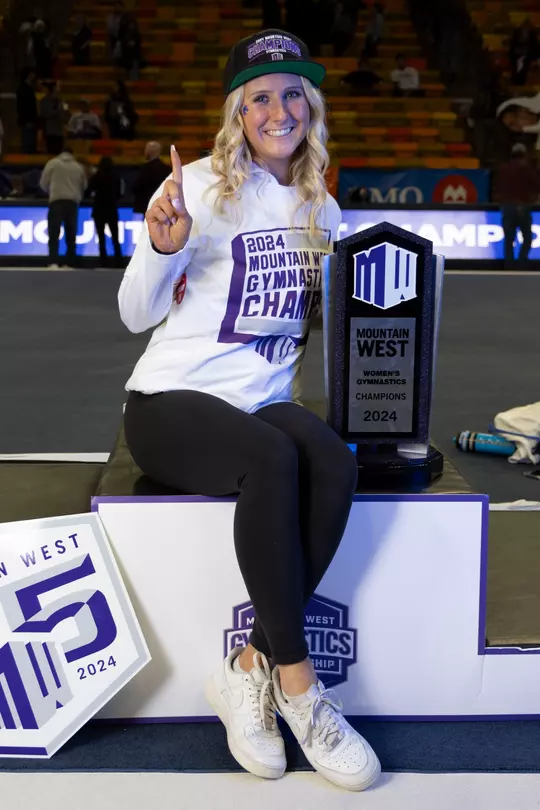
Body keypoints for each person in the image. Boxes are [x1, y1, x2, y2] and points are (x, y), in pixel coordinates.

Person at [118, 27, 381, 792]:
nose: (279, 108)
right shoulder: (195, 187)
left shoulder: (320, 207)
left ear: (311, 107)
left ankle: (244, 667)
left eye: (292, 93)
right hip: (171, 401)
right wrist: (163, 248)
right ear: (239, 112)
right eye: (260, 96)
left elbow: (327, 322)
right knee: (272, 460)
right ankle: (297, 684)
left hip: (262, 401)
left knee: (331, 458)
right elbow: (135, 314)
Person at [492, 143, 540, 268]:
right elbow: (536, 185)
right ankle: (521, 263)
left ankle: (509, 265)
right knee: (528, 238)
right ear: (524, 154)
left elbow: (497, 187)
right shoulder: (526, 168)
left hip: (506, 207)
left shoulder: (503, 168)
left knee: (509, 239)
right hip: (522, 207)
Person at [39, 146, 87, 268]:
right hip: (72, 202)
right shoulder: (78, 167)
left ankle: (53, 261)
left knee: (54, 233)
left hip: (56, 201)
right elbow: (84, 185)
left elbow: (43, 183)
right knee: (71, 234)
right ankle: (70, 262)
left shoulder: (52, 164)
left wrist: (51, 191)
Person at [88, 156, 123, 267]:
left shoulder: (96, 177)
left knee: (101, 238)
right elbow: (119, 194)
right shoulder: (116, 178)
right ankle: (119, 261)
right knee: (115, 237)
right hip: (112, 209)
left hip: (99, 210)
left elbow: (89, 191)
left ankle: (104, 261)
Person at [132, 141, 170, 215]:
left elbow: (136, 186)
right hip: (162, 207)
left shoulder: (145, 169)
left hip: (146, 206)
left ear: (149, 152)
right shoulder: (167, 169)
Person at [39, 81, 68, 154]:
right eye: (57, 88)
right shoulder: (45, 101)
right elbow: (46, 114)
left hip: (59, 131)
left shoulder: (60, 101)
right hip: (50, 131)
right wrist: (58, 109)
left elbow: (65, 113)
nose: (59, 90)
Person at [509, 19, 539, 86]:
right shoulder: (516, 34)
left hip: (528, 55)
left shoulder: (532, 35)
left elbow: (535, 48)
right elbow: (512, 47)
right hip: (518, 55)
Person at [16, 67, 38, 153]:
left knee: (32, 144)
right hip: (27, 121)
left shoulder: (30, 88)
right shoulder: (22, 89)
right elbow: (22, 107)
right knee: (28, 144)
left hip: (32, 120)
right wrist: (27, 120)